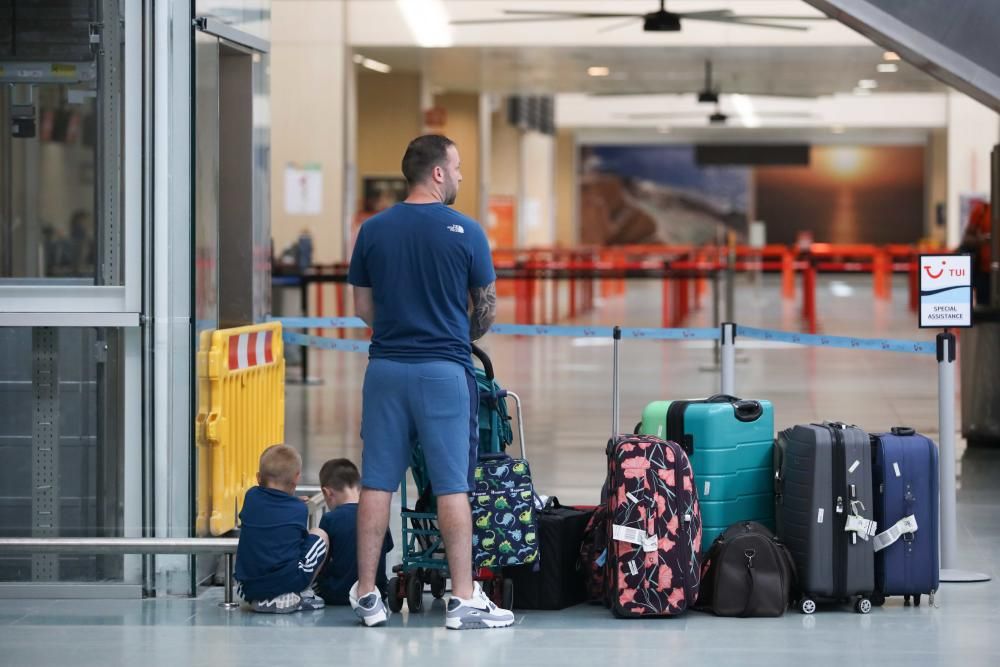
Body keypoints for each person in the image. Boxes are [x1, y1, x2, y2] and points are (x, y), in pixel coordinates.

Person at [347, 134, 512, 630]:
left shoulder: (372, 229)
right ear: (437, 173)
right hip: (445, 372)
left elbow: (361, 309)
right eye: (457, 167)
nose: (461, 175)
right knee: (451, 486)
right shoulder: (467, 232)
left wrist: (399, 330)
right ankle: (462, 598)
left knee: (378, 480)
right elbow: (484, 313)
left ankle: (369, 594)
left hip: (387, 370)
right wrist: (450, 331)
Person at [234, 444, 329, 613]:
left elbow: (270, 508)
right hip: (287, 581)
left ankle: (264, 598)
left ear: (258, 477)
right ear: (296, 478)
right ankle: (300, 592)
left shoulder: (251, 497)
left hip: (248, 585)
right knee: (319, 536)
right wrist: (294, 503)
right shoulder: (299, 509)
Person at [313, 458, 393, 605]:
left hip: (336, 593)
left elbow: (321, 560)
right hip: (376, 593)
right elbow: (386, 547)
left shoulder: (330, 519)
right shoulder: (377, 516)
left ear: (327, 492)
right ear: (360, 487)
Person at [960, 199, 993, 306]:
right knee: (985, 312)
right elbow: (966, 239)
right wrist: (983, 240)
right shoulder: (983, 210)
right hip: (985, 274)